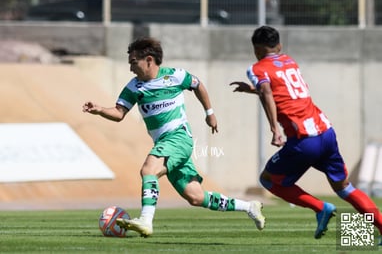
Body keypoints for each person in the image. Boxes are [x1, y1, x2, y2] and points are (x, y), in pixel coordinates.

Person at [83, 37, 265, 237]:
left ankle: (146, 220)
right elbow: (119, 113)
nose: (131, 68)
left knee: (148, 170)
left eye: (134, 63)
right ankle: (249, 207)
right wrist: (99, 109)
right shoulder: (134, 87)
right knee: (195, 197)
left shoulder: (176, 76)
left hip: (178, 138)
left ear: (149, 60)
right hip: (165, 143)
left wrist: (209, 113)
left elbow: (198, 85)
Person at [230, 25, 382, 240]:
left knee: (268, 180)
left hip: (303, 140)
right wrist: (253, 91)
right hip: (326, 133)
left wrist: (275, 129)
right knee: (344, 188)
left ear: (256, 50)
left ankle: (321, 208)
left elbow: (267, 92)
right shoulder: (290, 61)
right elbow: (281, 93)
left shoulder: (256, 69)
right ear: (279, 46)